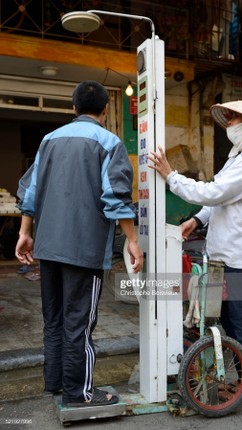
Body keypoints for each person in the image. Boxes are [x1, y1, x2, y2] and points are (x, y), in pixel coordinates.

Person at [15, 80, 143, 407]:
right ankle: (80, 394)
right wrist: (132, 240)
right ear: (104, 111)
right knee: (79, 323)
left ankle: (56, 383)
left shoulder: (48, 140)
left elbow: (29, 193)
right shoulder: (109, 142)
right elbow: (115, 198)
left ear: (73, 109)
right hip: (83, 249)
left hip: (47, 246)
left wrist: (25, 233)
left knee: (55, 318)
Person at [148, 98, 242, 403]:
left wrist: (172, 177)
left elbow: (212, 191)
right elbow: (219, 199)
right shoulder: (238, 155)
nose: (230, 124)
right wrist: (196, 219)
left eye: (234, 119)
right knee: (231, 320)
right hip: (226, 251)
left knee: (241, 319)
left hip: (241, 253)